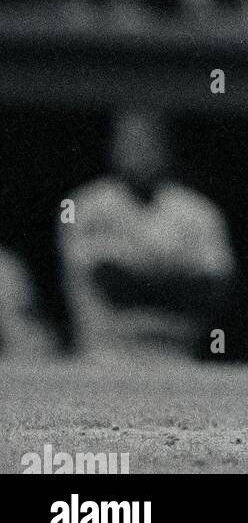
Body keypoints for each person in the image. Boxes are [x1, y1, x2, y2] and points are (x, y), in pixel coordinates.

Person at [59, 110, 235, 359]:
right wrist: (174, 279)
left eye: (148, 142)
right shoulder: (84, 205)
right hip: (105, 355)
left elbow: (209, 290)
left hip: (176, 354)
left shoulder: (198, 210)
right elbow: (115, 287)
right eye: (130, 142)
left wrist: (142, 276)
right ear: (113, 147)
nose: (139, 152)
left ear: (165, 148)